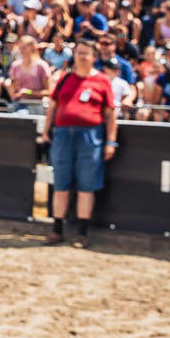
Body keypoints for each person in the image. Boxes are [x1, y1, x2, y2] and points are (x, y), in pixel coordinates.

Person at [40, 40, 118, 246]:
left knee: (87, 184)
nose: (82, 57)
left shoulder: (102, 81)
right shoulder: (65, 78)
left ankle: (82, 233)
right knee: (61, 183)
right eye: (79, 53)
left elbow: (110, 115)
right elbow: (53, 107)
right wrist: (46, 132)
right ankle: (57, 229)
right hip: (62, 135)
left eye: (86, 53)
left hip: (90, 136)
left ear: (94, 57)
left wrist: (111, 142)